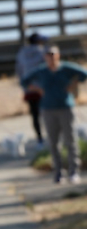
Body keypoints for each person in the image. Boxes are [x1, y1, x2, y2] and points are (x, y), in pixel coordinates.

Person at [22, 45, 87, 184]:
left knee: (70, 140)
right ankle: (58, 172)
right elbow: (24, 81)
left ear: (58, 55)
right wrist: (37, 89)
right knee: (53, 142)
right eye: (48, 55)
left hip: (66, 107)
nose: (51, 58)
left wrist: (73, 84)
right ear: (45, 57)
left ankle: (73, 171)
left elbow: (83, 74)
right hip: (48, 109)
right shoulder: (41, 71)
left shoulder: (66, 68)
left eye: (53, 55)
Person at [16, 32, 47, 146]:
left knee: (35, 115)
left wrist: (24, 86)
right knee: (48, 113)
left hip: (29, 89)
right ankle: (51, 137)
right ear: (38, 41)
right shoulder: (43, 52)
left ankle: (39, 139)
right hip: (43, 89)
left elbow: (19, 72)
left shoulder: (21, 53)